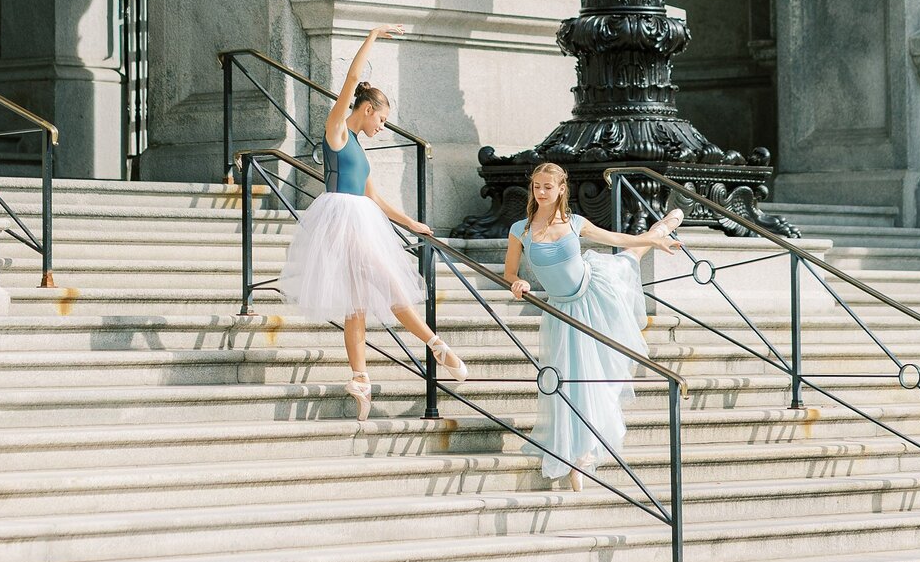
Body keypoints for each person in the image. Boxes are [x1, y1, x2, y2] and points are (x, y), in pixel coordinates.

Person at [279, 25, 468, 420]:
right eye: (380, 119)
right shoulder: (337, 132)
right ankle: (436, 345)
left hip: (360, 216)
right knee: (387, 284)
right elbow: (350, 79)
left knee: (358, 306)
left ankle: (361, 380)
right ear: (366, 110)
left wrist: (410, 222)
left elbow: (374, 197)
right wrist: (375, 34)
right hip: (340, 220)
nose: (382, 127)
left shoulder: (360, 149)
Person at [503, 161, 683, 491]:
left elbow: (613, 236)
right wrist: (518, 284)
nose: (541, 192)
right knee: (570, 380)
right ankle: (577, 452)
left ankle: (659, 232)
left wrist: (655, 244)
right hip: (561, 311)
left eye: (548, 187)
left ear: (561, 190)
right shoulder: (520, 230)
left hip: (593, 292)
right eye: (536, 186)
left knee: (628, 258)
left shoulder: (575, 223)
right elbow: (510, 273)